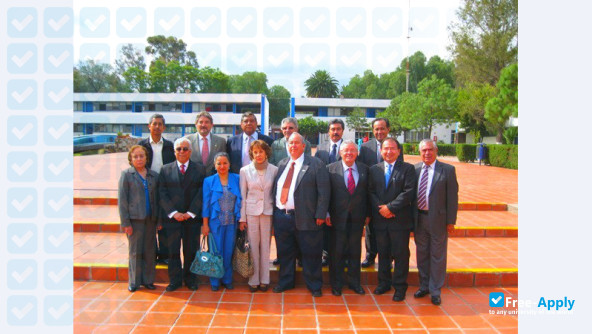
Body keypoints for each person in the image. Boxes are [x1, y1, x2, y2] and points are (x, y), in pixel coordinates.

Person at [272, 133, 330, 297]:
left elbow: (324, 192)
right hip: (282, 217)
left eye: (297, 143)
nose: (293, 146)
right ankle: (285, 282)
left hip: (307, 217)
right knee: (285, 253)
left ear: (304, 146)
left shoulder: (316, 164)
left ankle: (314, 285)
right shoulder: (282, 164)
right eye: (290, 143)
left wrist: (320, 213)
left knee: (311, 253)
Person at [368, 138, 415, 302]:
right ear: (381, 151)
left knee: (401, 254)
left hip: (399, 219)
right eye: (385, 149)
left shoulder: (408, 169)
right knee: (383, 252)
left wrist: (391, 208)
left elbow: (408, 192)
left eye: (392, 149)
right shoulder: (374, 169)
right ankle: (384, 283)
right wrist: (382, 209)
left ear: (399, 151)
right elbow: (371, 192)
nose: (388, 151)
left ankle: (400, 286)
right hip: (381, 219)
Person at [413, 139, 458, 306]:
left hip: (438, 220)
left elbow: (452, 198)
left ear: (436, 150)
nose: (427, 153)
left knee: (437, 256)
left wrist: (451, 221)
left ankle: (435, 290)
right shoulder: (415, 169)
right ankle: (424, 285)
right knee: (422, 254)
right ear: (420, 152)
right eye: (424, 150)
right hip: (419, 219)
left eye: (430, 150)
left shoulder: (447, 170)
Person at [158, 138, 206, 292]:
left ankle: (191, 279)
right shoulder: (165, 170)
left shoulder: (199, 169)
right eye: (178, 149)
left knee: (191, 250)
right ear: (174, 151)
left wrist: (190, 213)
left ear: (190, 151)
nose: (182, 152)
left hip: (191, 219)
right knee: (173, 251)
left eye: (185, 149)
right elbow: (162, 193)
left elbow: (200, 193)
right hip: (172, 219)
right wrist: (174, 213)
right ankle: (175, 280)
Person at [358, 118, 404, 268]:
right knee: (370, 229)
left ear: (388, 129)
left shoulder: (396, 146)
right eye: (376, 129)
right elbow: (362, 170)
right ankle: (370, 256)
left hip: (390, 195)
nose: (379, 132)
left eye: (382, 128)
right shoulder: (365, 147)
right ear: (373, 131)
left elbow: (399, 169)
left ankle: (388, 257)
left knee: (389, 229)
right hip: (371, 194)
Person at [326, 140, 370, 296]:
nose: (349, 153)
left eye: (353, 150)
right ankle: (336, 284)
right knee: (336, 252)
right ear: (340, 153)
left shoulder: (365, 170)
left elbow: (368, 195)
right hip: (336, 219)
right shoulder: (330, 170)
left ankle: (354, 283)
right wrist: (326, 213)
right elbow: (326, 195)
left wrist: (368, 214)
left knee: (355, 251)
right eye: (346, 150)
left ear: (357, 153)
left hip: (357, 218)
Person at [118, 145, 160, 292]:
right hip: (135, 221)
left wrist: (159, 220)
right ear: (131, 159)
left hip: (151, 219)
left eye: (141, 156)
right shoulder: (127, 175)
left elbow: (158, 199)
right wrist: (126, 222)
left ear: (146, 158)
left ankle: (148, 280)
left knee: (150, 251)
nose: (139, 159)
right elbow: (122, 200)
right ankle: (134, 282)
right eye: (135, 156)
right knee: (135, 251)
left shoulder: (153, 175)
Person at [239, 140, 278, 292]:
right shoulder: (245, 170)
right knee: (253, 246)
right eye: (255, 152)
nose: (258, 155)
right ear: (251, 154)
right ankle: (253, 280)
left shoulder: (274, 170)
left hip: (268, 211)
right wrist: (242, 218)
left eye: (261, 151)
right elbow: (243, 194)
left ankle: (265, 280)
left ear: (266, 152)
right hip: (251, 212)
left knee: (266, 247)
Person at [137, 113, 176, 265]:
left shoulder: (169, 146)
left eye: (160, 124)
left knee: (165, 221)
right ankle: (151, 254)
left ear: (164, 127)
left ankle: (165, 255)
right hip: (147, 186)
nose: (157, 127)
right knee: (150, 220)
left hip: (166, 187)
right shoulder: (142, 145)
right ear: (149, 126)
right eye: (155, 124)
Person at [202, 152, 242, 291]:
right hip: (215, 223)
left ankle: (227, 279)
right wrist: (205, 224)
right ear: (215, 165)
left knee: (228, 252)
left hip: (231, 222)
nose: (222, 166)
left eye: (225, 163)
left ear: (229, 165)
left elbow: (242, 199)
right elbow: (206, 204)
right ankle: (214, 281)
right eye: (219, 163)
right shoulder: (209, 181)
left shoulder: (237, 179)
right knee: (215, 252)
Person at [314, 118, 346, 267]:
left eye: (338, 129)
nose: (335, 132)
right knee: (325, 228)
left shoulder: (348, 148)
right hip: (324, 194)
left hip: (343, 196)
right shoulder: (320, 150)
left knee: (342, 228)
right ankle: (325, 254)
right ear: (328, 132)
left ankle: (342, 256)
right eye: (333, 129)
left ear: (342, 131)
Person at [185, 111, 227, 176]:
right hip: (193, 181)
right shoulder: (187, 141)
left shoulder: (221, 141)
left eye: (207, 122)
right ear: (196, 124)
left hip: (213, 180)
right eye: (201, 122)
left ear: (212, 125)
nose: (203, 125)